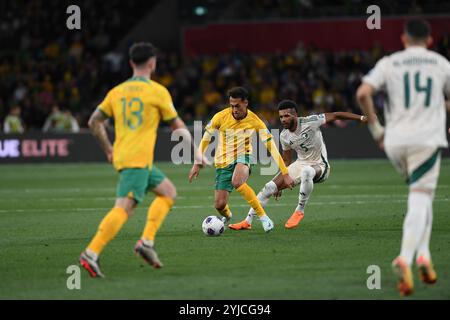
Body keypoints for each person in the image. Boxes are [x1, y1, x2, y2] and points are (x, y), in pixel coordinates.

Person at [79, 42, 199, 278]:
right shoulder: (157, 91)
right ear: (152, 63)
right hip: (137, 160)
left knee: (168, 192)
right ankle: (91, 253)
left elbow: (94, 122)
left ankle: (146, 242)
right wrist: (196, 152)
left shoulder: (117, 92)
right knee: (124, 208)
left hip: (130, 157)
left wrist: (108, 149)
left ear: (131, 63)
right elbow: (178, 127)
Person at [356, 19, 450, 296]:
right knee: (420, 197)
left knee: (422, 195)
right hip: (425, 140)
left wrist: (375, 129)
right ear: (430, 40)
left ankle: (425, 256)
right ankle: (405, 257)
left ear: (404, 39)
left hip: (394, 141)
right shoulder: (440, 63)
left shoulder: (390, 62)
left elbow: (363, 92)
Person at [229, 100, 366, 230]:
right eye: (281, 116)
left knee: (307, 171)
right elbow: (287, 160)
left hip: (320, 166)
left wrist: (361, 118)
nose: (283, 119)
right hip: (300, 164)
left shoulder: (311, 121)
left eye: (286, 116)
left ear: (295, 115)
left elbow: (336, 115)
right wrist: (282, 182)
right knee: (269, 187)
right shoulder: (284, 135)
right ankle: (247, 221)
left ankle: (299, 211)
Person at [189, 87, 294, 232]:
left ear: (246, 103)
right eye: (231, 105)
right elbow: (205, 139)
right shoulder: (220, 116)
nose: (234, 109)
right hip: (222, 162)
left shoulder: (255, 121)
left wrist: (285, 174)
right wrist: (197, 163)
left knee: (237, 181)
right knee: (219, 205)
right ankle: (228, 215)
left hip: (243, 156)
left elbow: (273, 149)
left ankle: (263, 217)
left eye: (237, 105)